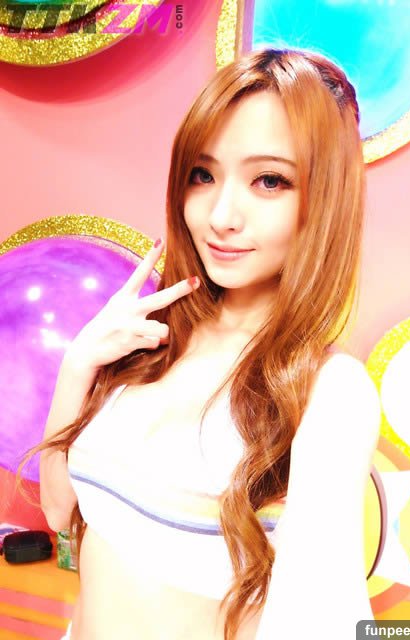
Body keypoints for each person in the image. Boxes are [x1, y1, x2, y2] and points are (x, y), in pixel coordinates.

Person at [17, 47, 382, 640]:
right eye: (203, 175)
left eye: (269, 181)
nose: (220, 215)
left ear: (324, 198)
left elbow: (323, 619)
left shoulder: (330, 391)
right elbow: (62, 513)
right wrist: (79, 362)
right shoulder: (152, 341)